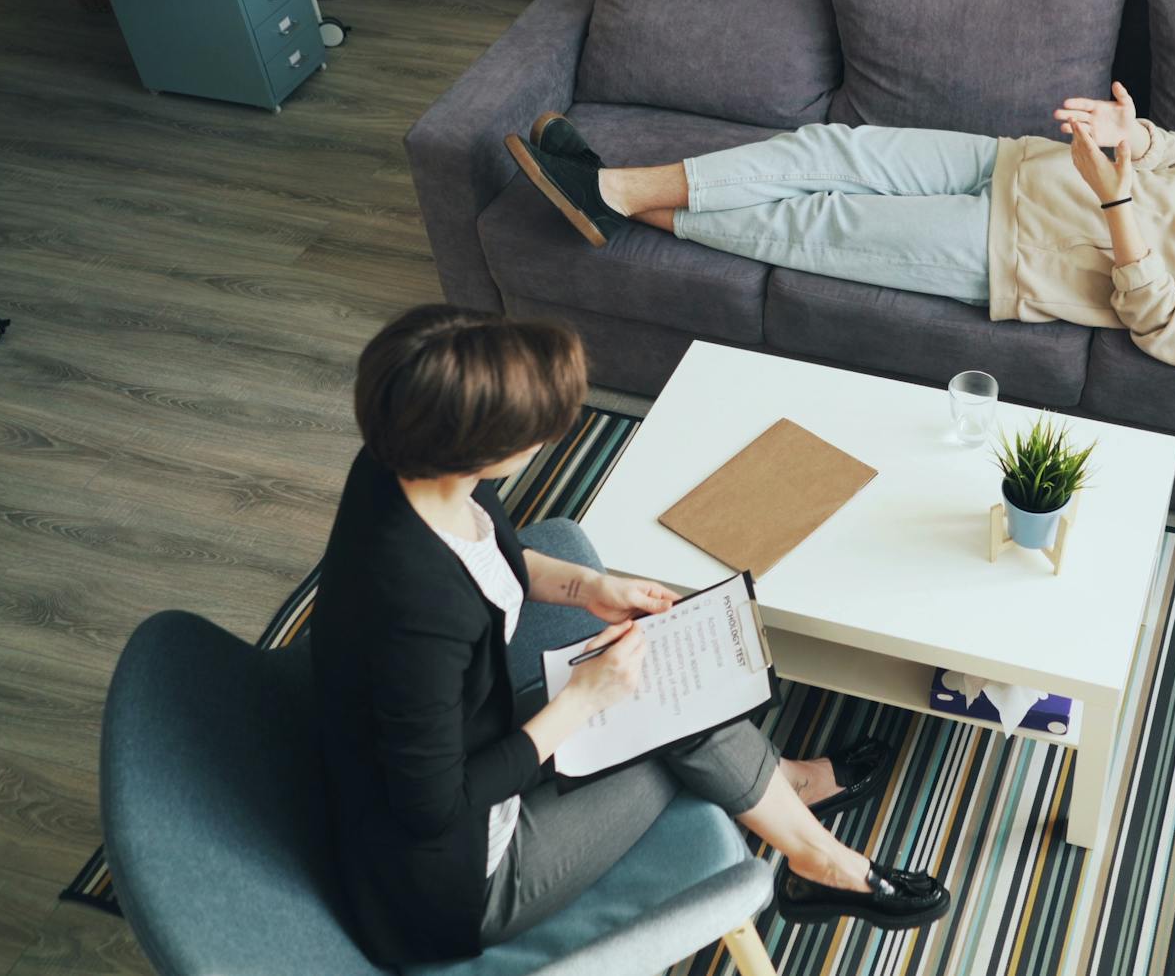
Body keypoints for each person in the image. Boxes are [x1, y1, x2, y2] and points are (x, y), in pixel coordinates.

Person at [311, 305, 948, 966]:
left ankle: (790, 795)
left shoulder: (404, 466)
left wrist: (590, 589)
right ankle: (820, 858)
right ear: (476, 448)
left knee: (665, 678)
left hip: (474, 737)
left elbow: (488, 558)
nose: (547, 443)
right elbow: (434, 807)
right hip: (458, 876)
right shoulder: (415, 609)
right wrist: (585, 700)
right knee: (671, 704)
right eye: (533, 435)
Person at [503, 82, 1175, 370]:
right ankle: (616, 190)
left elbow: (1172, 329)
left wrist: (1113, 202)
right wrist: (1126, 137)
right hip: (1015, 162)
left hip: (1014, 253)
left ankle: (605, 199)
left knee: (818, 223)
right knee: (823, 148)